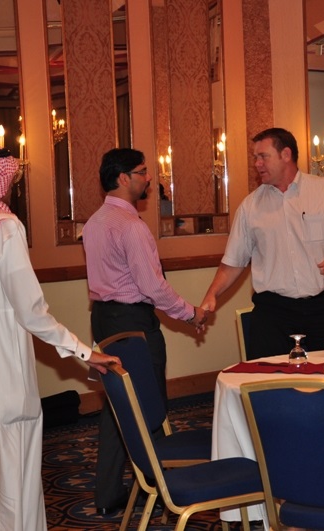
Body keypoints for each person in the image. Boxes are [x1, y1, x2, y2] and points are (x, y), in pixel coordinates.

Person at [0, 141, 118, 531]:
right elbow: (32, 312)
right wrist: (84, 352)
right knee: (11, 463)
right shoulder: (5, 226)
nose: (10, 184)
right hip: (3, 371)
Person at [82, 147, 208, 515]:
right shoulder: (131, 226)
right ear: (123, 178)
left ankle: (109, 493)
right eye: (142, 172)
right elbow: (152, 287)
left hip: (103, 318)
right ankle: (160, 487)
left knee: (118, 405)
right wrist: (190, 313)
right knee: (148, 404)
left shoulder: (94, 222)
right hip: (133, 324)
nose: (149, 178)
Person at [200, 127, 324, 358]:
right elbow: (233, 262)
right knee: (268, 377)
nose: (257, 164)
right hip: (274, 314)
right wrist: (212, 294)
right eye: (255, 158)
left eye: (263, 156)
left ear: (286, 154)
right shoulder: (250, 207)